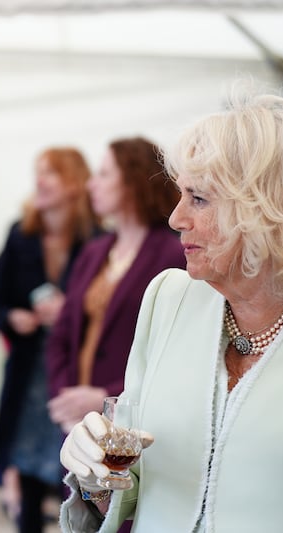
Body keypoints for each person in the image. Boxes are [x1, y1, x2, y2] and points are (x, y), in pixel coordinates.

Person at [58, 90, 283, 532]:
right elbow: (133, 479)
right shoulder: (170, 297)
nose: (175, 218)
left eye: (198, 199)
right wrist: (96, 474)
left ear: (267, 209)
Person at [0, 147, 98, 532]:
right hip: (29, 367)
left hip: (73, 369)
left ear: (74, 183)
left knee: (71, 465)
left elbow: (108, 309)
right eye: (38, 172)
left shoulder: (98, 239)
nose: (40, 180)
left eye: (51, 173)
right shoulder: (21, 235)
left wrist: (69, 312)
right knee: (26, 461)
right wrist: (12, 317)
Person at [46, 137, 184, 436]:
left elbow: (173, 350)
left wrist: (108, 397)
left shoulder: (171, 255)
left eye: (104, 174)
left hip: (135, 419)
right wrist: (65, 398)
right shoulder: (95, 252)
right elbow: (62, 334)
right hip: (78, 421)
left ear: (133, 181)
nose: (91, 185)